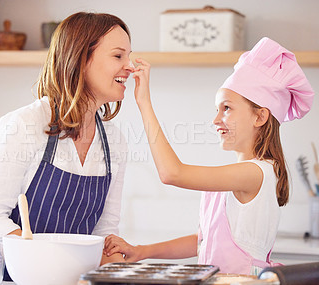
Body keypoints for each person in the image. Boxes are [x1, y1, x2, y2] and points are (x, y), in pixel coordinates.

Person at [104, 37, 315, 275]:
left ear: (260, 117)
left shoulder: (256, 172)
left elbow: (172, 173)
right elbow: (203, 240)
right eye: (217, 109)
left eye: (226, 108)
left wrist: (144, 103)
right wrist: (142, 251)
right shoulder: (242, 173)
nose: (216, 120)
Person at [0, 11, 133, 268]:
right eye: (118, 56)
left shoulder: (114, 141)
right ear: (80, 59)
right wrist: (46, 261)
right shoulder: (24, 125)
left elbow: (104, 232)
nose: (130, 66)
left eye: (129, 56)